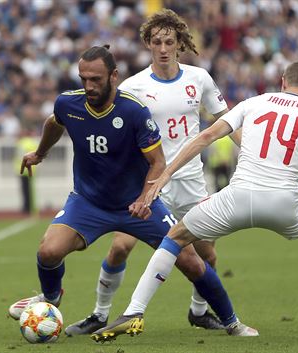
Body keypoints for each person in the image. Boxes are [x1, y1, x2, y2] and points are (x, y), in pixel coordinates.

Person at [92, 60, 298, 342]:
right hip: (286, 202)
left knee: (175, 237)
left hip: (238, 197)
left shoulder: (253, 102)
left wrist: (166, 173)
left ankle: (134, 312)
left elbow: (206, 136)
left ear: (282, 82)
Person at [7, 45, 257, 338]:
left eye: (96, 79)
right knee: (48, 251)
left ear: (113, 76)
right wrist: (40, 153)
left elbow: (157, 162)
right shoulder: (67, 104)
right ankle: (52, 299)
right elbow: (54, 123)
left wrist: (143, 199)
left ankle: (232, 323)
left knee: (191, 260)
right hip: (88, 203)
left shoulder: (133, 111)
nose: (88, 86)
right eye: (83, 79)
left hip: (135, 206)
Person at [65, 8, 242, 336]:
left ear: (179, 44)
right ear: (148, 43)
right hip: (150, 182)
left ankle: (199, 311)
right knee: (120, 247)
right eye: (157, 41)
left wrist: (250, 150)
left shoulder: (198, 79)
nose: (163, 48)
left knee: (206, 253)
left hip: (190, 180)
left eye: (169, 42)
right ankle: (100, 313)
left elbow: (225, 122)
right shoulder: (133, 86)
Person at [16, 127, 38, 214]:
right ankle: (31, 208)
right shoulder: (33, 142)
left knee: (25, 190)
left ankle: (26, 207)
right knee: (30, 190)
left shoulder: (21, 142)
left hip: (21, 169)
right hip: (31, 169)